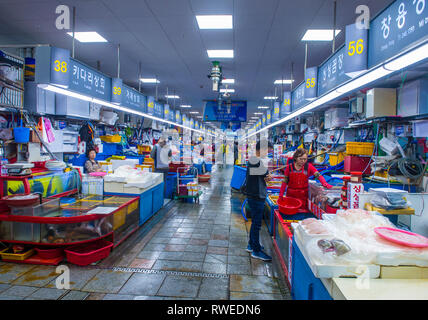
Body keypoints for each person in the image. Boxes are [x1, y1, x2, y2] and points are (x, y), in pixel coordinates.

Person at [243, 141, 273, 262]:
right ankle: (256, 251)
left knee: (255, 223)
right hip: (256, 196)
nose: (267, 154)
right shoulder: (256, 161)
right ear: (261, 149)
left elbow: (262, 176)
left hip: (253, 195)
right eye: (267, 151)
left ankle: (251, 245)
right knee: (256, 224)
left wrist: (267, 175)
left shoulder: (253, 160)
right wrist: (269, 176)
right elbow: (266, 176)